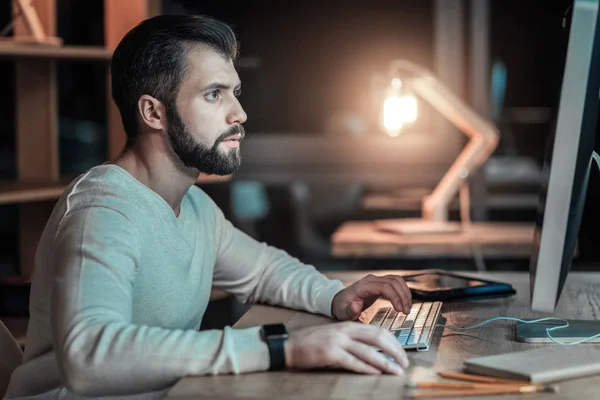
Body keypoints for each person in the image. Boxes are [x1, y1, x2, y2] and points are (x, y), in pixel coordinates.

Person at [4, 14, 413, 400]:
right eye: (214, 95)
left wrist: (336, 296)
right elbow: (89, 357)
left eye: (234, 93)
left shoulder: (194, 205)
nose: (239, 113)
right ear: (153, 112)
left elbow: (264, 271)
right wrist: (282, 347)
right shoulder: (102, 210)